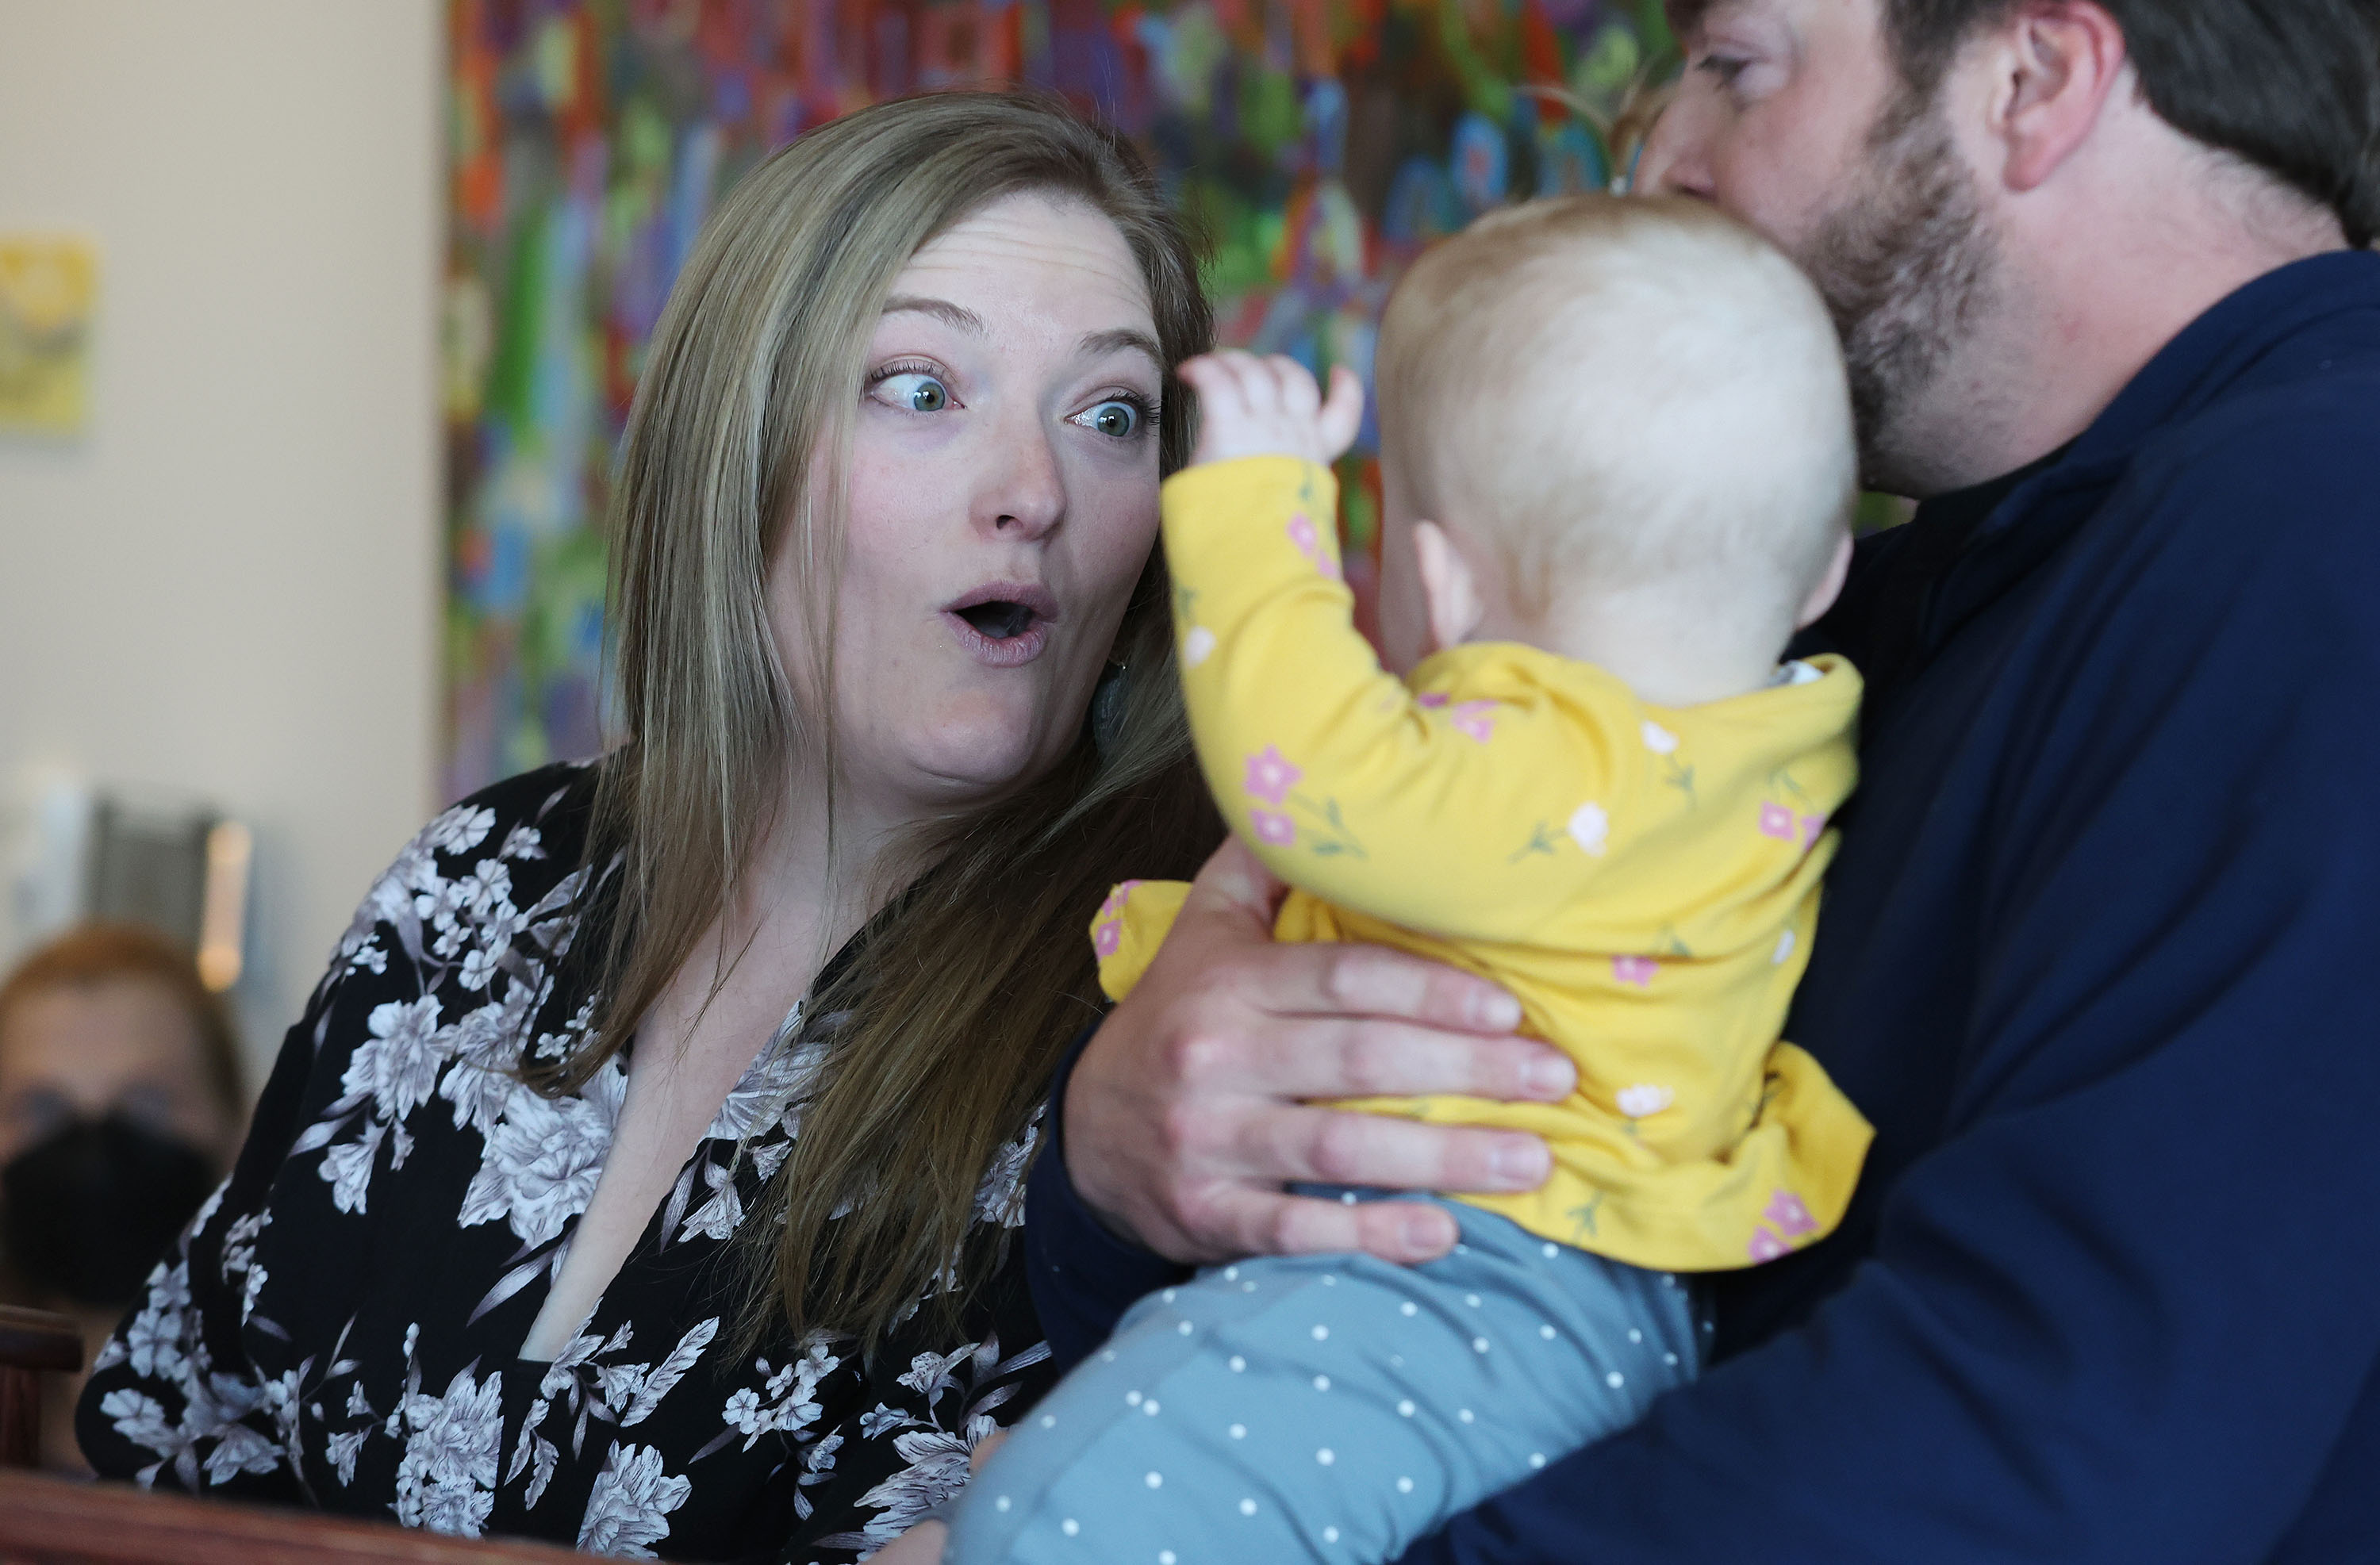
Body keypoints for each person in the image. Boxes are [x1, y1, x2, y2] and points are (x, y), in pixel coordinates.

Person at [1023, 2, 2380, 1560]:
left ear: (2032, 80)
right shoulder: (1849, 619)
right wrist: (1133, 1157)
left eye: (1735, 65)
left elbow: (2047, 1444)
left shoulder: (2325, 526)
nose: (1657, 153)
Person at [77, 90, 1223, 1562]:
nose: (1036, 493)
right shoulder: (485, 889)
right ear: (736, 448)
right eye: (924, 389)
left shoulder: (1173, 1002)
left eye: (1111, 413)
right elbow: (167, 1442)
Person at [948, 195, 1870, 1565]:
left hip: (1471, 1277)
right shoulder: (1778, 744)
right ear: (1826, 570)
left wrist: (1259, 509)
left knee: (1043, 1528)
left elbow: (1307, 769)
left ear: (1437, 585)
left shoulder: (1549, 767)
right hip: (1559, 1298)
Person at [0, 922, 246, 1474]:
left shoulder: (305, 1433)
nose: (94, 1147)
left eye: (146, 1102)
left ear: (238, 1134)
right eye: (43, 1108)